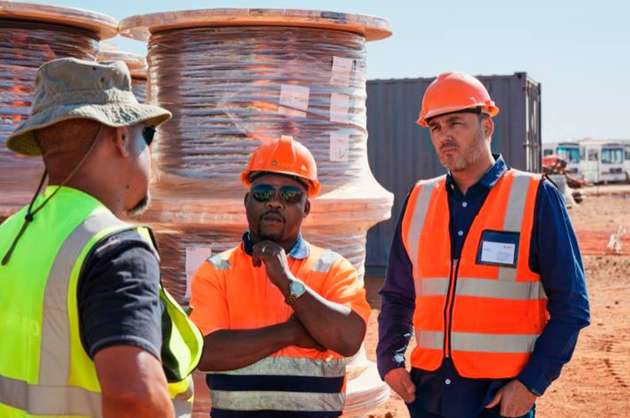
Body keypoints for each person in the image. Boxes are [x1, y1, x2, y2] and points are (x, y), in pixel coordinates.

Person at [376, 72, 590, 418]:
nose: (444, 135)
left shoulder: (535, 197)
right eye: (435, 127)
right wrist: (390, 359)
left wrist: (531, 385)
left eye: (455, 123)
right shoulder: (419, 198)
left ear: (487, 126)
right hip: (428, 395)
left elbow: (572, 306)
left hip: (498, 399)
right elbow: (398, 295)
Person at [0, 58, 202, 418]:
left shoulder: (10, 234)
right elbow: (134, 397)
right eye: (148, 135)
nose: (149, 152)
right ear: (122, 136)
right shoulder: (116, 248)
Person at [189, 135, 371, 418]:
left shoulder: (333, 268)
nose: (275, 203)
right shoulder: (216, 270)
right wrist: (294, 331)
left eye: (289, 195)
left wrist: (287, 282)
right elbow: (206, 353)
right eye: (263, 193)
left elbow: (347, 340)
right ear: (247, 201)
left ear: (306, 208)